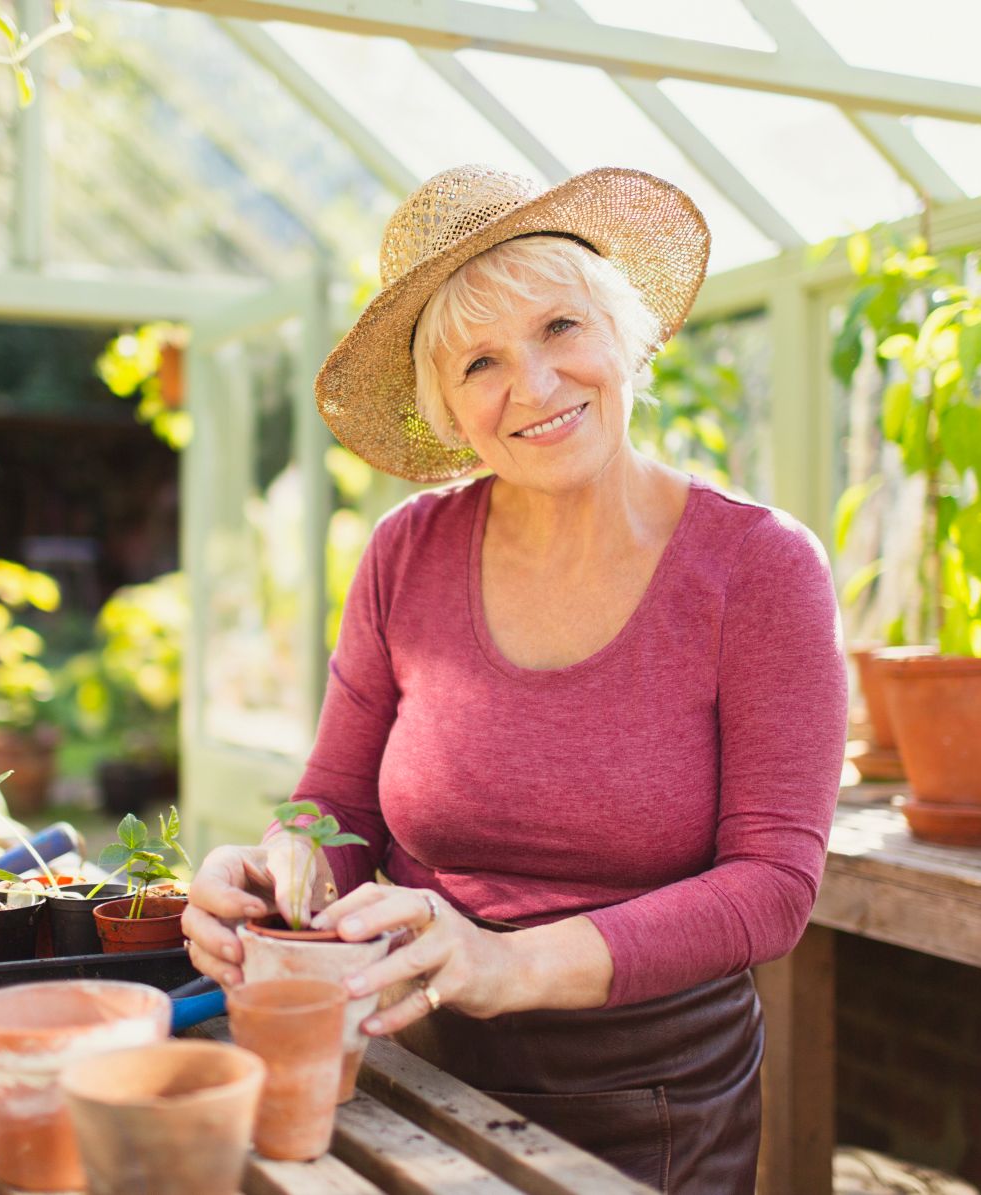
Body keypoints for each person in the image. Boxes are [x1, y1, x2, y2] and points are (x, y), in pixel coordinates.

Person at [182, 164, 847, 1193]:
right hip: (407, 1065)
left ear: (623, 332)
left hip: (650, 1102)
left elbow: (771, 888)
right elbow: (336, 804)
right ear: (444, 406)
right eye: (478, 361)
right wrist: (275, 876)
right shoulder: (406, 553)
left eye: (559, 329)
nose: (531, 387)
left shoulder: (758, 568)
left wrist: (503, 964)